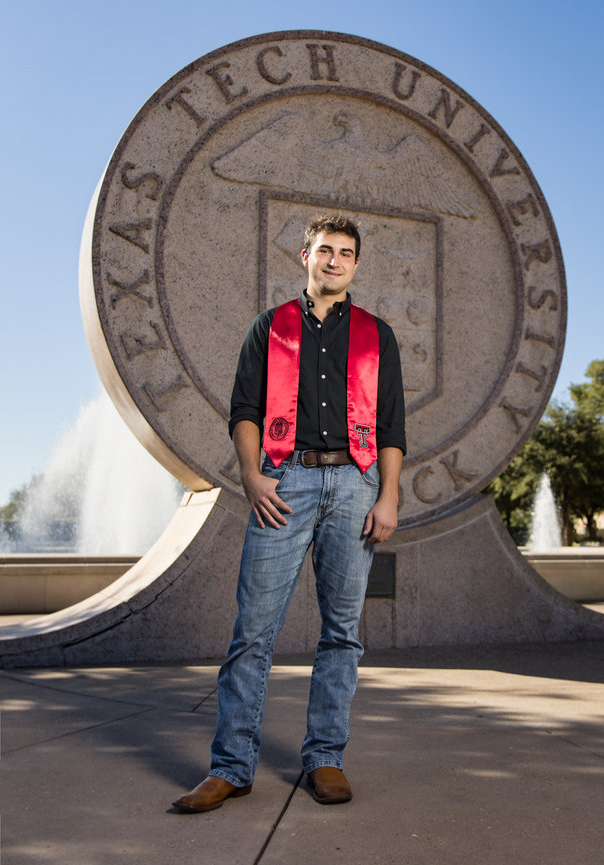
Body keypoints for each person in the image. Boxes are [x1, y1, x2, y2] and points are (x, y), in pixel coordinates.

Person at [173, 214, 405, 812]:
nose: (335, 261)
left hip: (355, 484)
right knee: (253, 630)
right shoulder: (270, 327)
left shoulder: (377, 335)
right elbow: (244, 409)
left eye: (346, 253)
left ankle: (326, 758)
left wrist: (388, 495)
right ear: (305, 256)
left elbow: (390, 426)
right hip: (285, 482)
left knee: (342, 633)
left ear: (356, 265)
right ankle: (231, 766)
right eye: (325, 250)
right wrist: (252, 476)